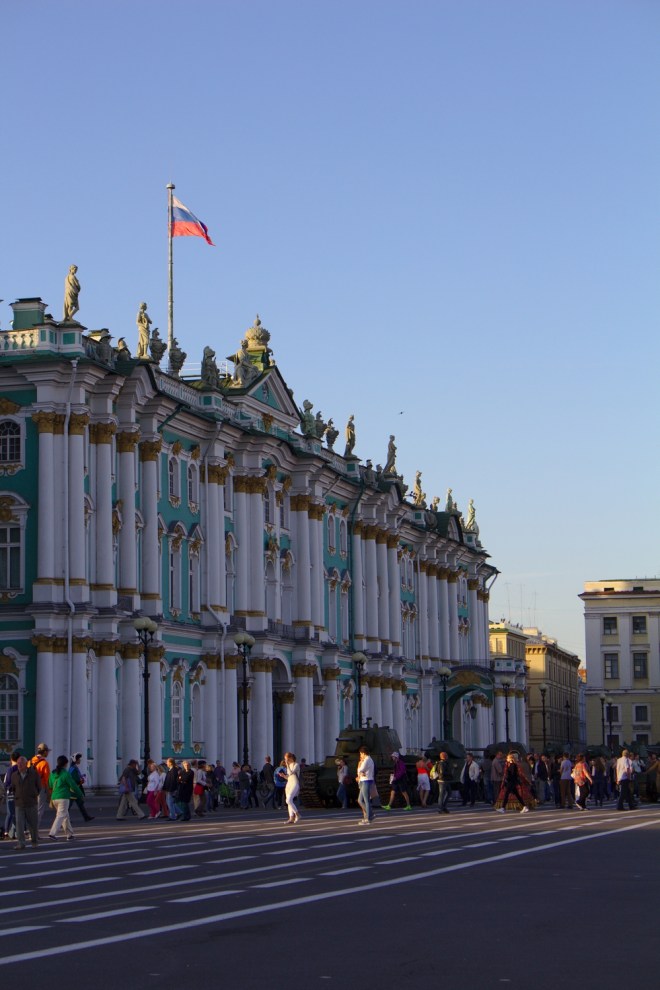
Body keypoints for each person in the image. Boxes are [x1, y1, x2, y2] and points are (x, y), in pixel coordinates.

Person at [49, 755, 83, 840]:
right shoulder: (65, 774)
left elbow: (50, 785)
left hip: (54, 797)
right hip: (63, 797)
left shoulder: (53, 773)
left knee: (65, 815)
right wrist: (80, 794)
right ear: (65, 764)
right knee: (61, 815)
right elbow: (73, 785)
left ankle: (69, 834)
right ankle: (52, 833)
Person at [12, 755, 41, 850]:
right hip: (19, 803)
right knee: (19, 824)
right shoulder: (14, 775)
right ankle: (21, 843)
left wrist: (34, 794)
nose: (19, 765)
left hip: (31, 802)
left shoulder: (33, 773)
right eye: (18, 764)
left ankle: (34, 841)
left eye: (21, 763)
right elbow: (13, 788)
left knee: (33, 824)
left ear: (26, 764)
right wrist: (16, 796)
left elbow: (39, 786)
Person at [30, 743, 52, 827]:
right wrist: (49, 792)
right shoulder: (44, 763)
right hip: (40, 788)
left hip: (30, 788)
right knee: (39, 809)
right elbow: (47, 779)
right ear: (45, 752)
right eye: (47, 751)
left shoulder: (30, 761)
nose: (48, 753)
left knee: (31, 809)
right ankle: (34, 830)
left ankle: (29, 828)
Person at [68, 753, 94, 822]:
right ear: (75, 760)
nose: (80, 760)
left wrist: (81, 777)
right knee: (69, 806)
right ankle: (64, 818)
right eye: (79, 759)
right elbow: (74, 779)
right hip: (73, 790)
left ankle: (86, 817)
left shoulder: (74, 768)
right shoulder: (73, 769)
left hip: (76, 789)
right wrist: (81, 781)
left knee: (80, 804)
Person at [4, 750, 20, 841]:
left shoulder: (10, 769)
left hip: (10, 794)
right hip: (19, 793)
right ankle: (15, 832)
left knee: (10, 813)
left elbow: (7, 783)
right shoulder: (21, 768)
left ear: (11, 759)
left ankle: (6, 831)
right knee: (17, 813)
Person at [356, 745, 375, 824]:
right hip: (364, 780)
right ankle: (370, 814)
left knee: (366, 800)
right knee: (360, 800)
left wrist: (360, 770)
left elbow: (361, 769)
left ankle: (368, 818)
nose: (360, 755)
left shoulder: (367, 760)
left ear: (363, 753)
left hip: (366, 780)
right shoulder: (368, 759)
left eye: (361, 753)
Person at [283, 752, 301, 824]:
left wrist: (287, 765)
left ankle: (297, 814)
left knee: (289, 800)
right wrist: (283, 776)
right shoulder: (289, 765)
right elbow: (288, 777)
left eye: (286, 759)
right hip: (289, 784)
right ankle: (291, 818)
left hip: (295, 783)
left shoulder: (296, 765)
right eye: (285, 759)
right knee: (288, 801)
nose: (285, 760)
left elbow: (291, 773)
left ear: (290, 758)